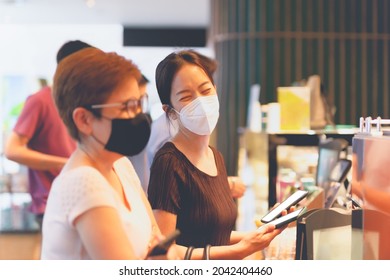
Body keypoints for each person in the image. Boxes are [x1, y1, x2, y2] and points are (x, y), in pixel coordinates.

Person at [40, 47, 180, 260]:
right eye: (126, 107)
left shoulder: (120, 164)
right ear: (84, 120)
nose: (138, 116)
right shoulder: (83, 182)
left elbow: (155, 236)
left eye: (139, 103)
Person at [147, 50, 287, 259]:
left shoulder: (215, 156)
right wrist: (240, 250)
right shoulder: (168, 163)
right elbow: (164, 252)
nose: (201, 102)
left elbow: (212, 234)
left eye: (205, 90)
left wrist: (256, 236)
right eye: (186, 97)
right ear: (169, 111)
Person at [4, 40, 93, 227]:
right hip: (51, 202)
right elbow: (12, 150)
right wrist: (64, 163)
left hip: (80, 194)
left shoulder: (80, 103)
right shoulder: (40, 101)